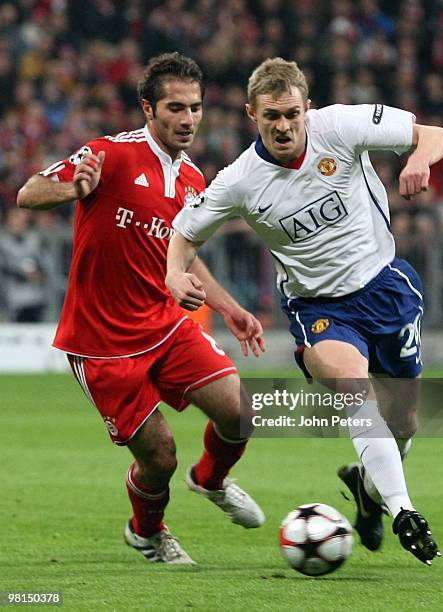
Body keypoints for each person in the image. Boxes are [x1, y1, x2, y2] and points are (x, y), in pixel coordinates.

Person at [166, 57, 443, 565]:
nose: (283, 126)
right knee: (352, 386)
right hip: (319, 308)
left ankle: (367, 489)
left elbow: (434, 133)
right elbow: (184, 232)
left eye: (292, 115)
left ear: (308, 110)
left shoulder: (340, 126)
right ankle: (404, 508)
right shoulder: (240, 180)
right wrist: (174, 273)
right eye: (271, 116)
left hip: (386, 287)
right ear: (252, 113)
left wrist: (418, 160)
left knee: (404, 421)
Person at [16, 52, 266, 565]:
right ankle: (147, 531)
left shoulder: (195, 180)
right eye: (176, 107)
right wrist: (73, 188)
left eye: (195, 108)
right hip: (101, 343)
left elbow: (185, 257)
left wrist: (230, 307)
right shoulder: (110, 153)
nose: (188, 119)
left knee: (241, 411)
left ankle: (212, 479)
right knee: (159, 458)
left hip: (164, 324)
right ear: (148, 109)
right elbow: (28, 192)